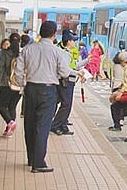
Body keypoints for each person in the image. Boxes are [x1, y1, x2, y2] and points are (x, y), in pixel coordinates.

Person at [15, 21, 84, 173]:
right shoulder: (57, 51)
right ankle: (39, 163)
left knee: (30, 124)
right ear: (54, 34)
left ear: (40, 32)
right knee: (43, 126)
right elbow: (64, 72)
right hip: (48, 90)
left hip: (31, 89)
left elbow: (18, 71)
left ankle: (31, 158)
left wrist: (23, 85)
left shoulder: (28, 49)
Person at [51, 29, 88, 136]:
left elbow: (73, 65)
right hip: (65, 81)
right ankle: (56, 125)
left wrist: (85, 62)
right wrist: (78, 73)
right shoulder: (65, 53)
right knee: (66, 104)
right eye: (73, 41)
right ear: (68, 42)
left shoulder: (68, 52)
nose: (74, 43)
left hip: (68, 80)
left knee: (65, 103)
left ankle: (62, 125)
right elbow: (65, 69)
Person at [0, 33, 21, 137]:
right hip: (18, 85)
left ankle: (10, 122)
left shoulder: (5, 53)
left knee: (1, 106)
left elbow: (0, 68)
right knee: (12, 107)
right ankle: (9, 130)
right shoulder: (22, 54)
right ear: (19, 42)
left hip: (6, 84)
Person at [20, 34, 32, 117]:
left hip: (23, 76)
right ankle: (25, 112)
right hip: (29, 77)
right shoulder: (29, 50)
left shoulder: (21, 51)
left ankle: (23, 112)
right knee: (27, 96)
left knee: (25, 95)